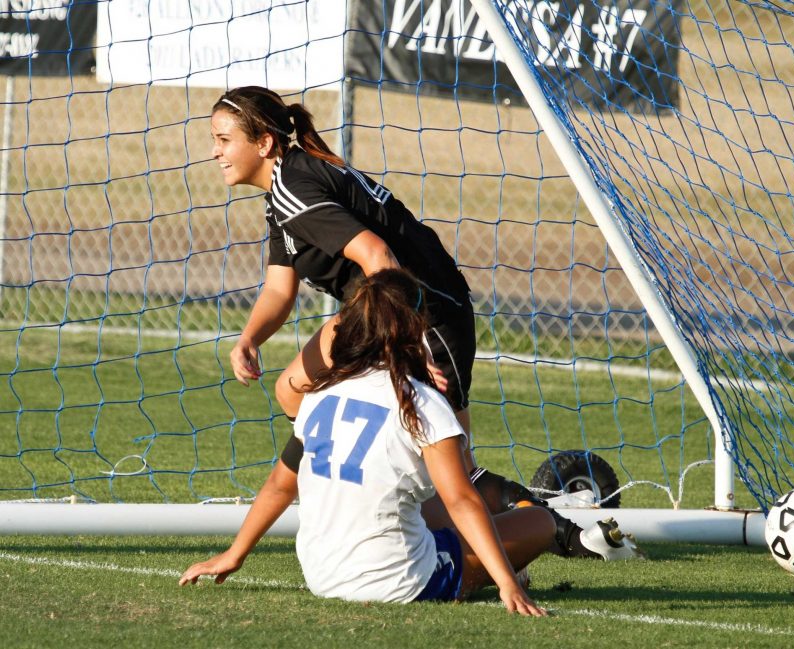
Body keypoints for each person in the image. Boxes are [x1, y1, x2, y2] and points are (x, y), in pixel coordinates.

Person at [208, 86, 641, 561]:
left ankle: (568, 533)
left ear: (264, 143)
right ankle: (347, 490)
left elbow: (378, 256)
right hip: (377, 310)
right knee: (294, 389)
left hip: (427, 315)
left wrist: (407, 345)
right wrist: (249, 339)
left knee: (458, 472)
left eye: (224, 139)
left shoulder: (296, 185)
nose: (216, 151)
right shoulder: (285, 189)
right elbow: (278, 289)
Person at [180, 269, 554, 614]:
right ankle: (503, 570)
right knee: (539, 521)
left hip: (320, 575)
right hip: (400, 582)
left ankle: (487, 561)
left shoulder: (320, 394)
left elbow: (280, 484)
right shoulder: (421, 404)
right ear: (416, 328)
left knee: (430, 504)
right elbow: (461, 499)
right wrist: (507, 583)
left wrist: (235, 553)